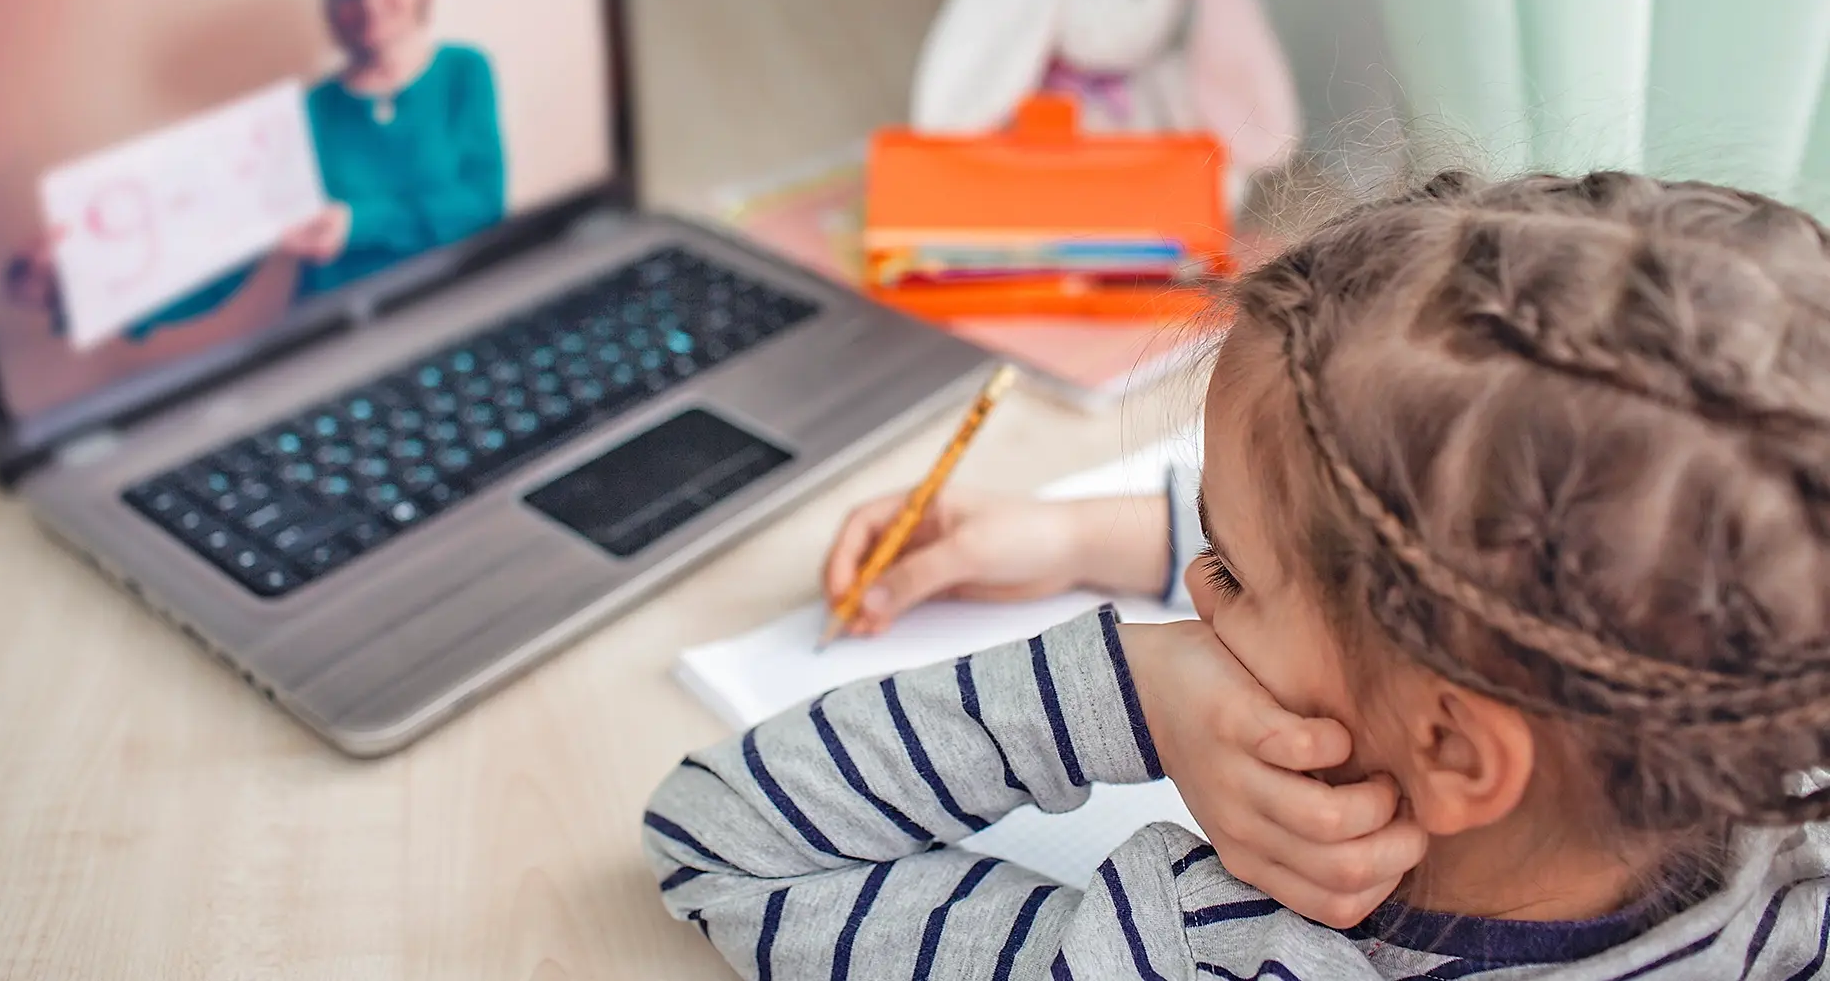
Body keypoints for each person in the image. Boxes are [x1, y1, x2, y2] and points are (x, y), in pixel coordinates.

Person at [642, 170, 1830, 979]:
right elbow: (1406, 569)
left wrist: (1131, 691)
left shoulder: (1206, 949)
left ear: (1457, 750)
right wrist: (1080, 539)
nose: (1198, 593)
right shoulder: (1782, 828)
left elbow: (724, 840)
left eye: (1227, 570)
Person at [105, 0, 506, 342]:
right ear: (332, 8)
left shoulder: (464, 70)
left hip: (455, 310)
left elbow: (482, 204)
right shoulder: (304, 112)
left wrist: (357, 224)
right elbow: (234, 248)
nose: (369, 2)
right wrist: (105, 291)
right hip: (338, 332)